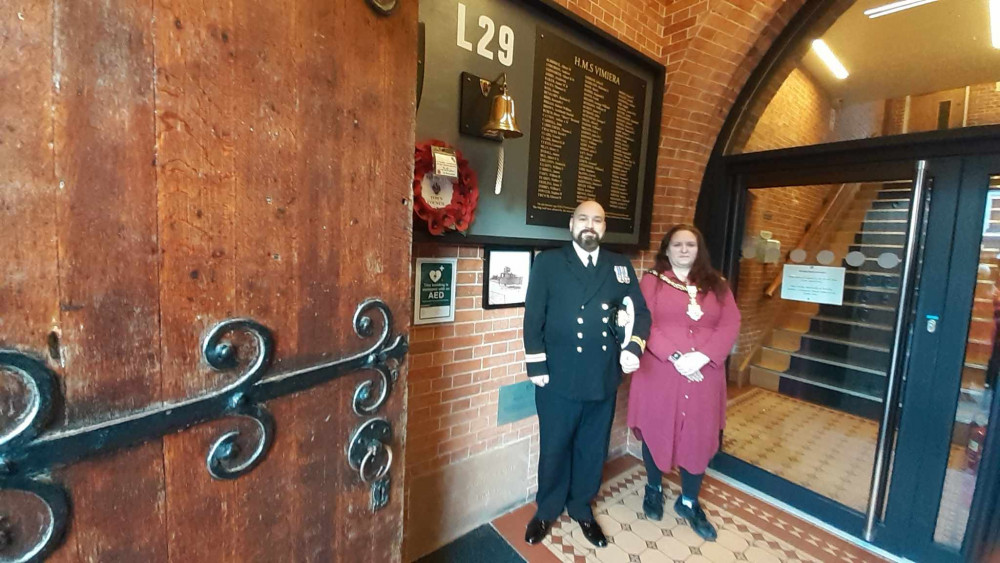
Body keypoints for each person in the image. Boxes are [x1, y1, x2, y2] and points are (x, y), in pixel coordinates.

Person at [522, 201, 651, 547]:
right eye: (583, 219)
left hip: (602, 376)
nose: (589, 225)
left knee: (592, 448)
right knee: (554, 447)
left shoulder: (619, 266)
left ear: (604, 227)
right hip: (556, 378)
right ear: (571, 224)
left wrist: (633, 347)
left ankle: (581, 507)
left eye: (597, 220)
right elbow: (534, 316)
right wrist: (536, 364)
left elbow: (640, 313)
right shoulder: (548, 262)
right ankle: (547, 509)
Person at [626, 224, 741, 541]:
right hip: (660, 372)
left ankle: (689, 501)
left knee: (699, 437)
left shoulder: (716, 284)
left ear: (699, 248)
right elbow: (642, 318)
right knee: (656, 427)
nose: (684, 249)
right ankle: (653, 487)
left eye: (690, 244)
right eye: (677, 244)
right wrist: (677, 358)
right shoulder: (653, 281)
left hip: (705, 375)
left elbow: (731, 323)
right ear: (666, 249)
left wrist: (702, 357)